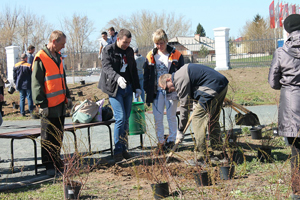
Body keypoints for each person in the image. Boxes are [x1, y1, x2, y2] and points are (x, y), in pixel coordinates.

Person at [158, 63, 228, 162]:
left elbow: (184, 106)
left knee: (197, 120)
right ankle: (220, 154)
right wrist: (196, 100)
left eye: (167, 88)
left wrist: (181, 130)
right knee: (212, 120)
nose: (169, 91)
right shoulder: (182, 73)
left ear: (169, 79)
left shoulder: (178, 79)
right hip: (221, 84)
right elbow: (197, 83)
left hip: (211, 88)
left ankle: (201, 158)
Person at [268, 14, 300, 199]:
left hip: (291, 107)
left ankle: (297, 191)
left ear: (287, 30)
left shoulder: (281, 52)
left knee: (296, 151)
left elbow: (273, 83)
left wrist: (287, 84)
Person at [32, 30, 72, 176]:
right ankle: (48, 164)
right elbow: (36, 83)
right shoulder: (40, 58)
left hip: (60, 103)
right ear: (54, 41)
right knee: (48, 136)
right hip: (48, 105)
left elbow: (62, 78)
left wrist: (68, 96)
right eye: (62, 44)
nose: (63, 47)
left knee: (58, 134)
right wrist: (41, 104)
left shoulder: (59, 57)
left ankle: (56, 160)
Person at [98, 29, 141, 162]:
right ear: (118, 39)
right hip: (114, 88)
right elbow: (106, 67)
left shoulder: (128, 51)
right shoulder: (108, 50)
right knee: (120, 118)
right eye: (124, 42)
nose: (126, 45)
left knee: (126, 119)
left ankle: (124, 149)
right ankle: (117, 150)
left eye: (128, 42)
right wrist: (117, 78)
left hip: (127, 88)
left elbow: (133, 69)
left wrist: (137, 87)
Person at [144, 28, 184, 151]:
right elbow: (146, 75)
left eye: (161, 43)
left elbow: (182, 73)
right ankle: (160, 141)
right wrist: (146, 90)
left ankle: (172, 140)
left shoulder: (176, 54)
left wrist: (176, 87)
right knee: (158, 117)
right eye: (157, 43)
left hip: (172, 90)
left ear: (166, 41)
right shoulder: (151, 55)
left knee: (171, 116)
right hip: (157, 91)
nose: (159, 46)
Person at [13, 53, 34, 117]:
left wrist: (15, 82)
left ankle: (22, 112)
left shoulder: (16, 65)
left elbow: (14, 76)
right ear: (26, 58)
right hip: (28, 84)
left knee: (22, 98)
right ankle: (31, 112)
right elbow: (32, 75)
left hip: (20, 84)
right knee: (29, 98)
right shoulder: (29, 65)